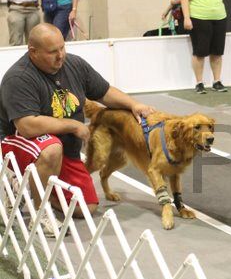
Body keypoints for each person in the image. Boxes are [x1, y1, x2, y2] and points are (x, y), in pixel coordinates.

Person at [0, 23, 155, 233]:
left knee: (85, 207)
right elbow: (27, 125)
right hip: (19, 143)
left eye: (62, 48)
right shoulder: (19, 78)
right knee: (51, 147)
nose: (60, 55)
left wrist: (133, 104)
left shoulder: (74, 65)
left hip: (65, 149)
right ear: (33, 52)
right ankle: (40, 213)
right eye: (52, 52)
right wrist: (73, 125)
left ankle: (28, 187)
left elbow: (104, 91)